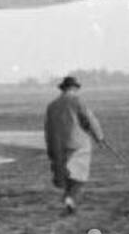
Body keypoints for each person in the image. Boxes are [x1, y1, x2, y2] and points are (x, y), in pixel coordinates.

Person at [44, 75, 105, 214]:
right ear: (74, 88)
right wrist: (99, 137)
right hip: (78, 144)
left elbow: (48, 129)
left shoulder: (52, 105)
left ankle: (68, 199)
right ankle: (70, 199)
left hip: (57, 145)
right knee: (80, 176)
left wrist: (50, 148)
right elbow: (90, 120)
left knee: (66, 174)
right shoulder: (78, 101)